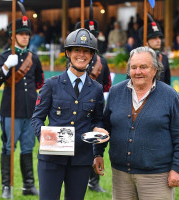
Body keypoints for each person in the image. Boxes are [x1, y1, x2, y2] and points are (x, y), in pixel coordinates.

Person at [93, 46, 179, 200]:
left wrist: (178, 168)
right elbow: (105, 128)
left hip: (157, 177)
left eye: (143, 67)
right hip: (121, 175)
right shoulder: (116, 92)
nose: (138, 71)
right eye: (133, 67)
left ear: (155, 69)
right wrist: (98, 152)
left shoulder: (169, 96)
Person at [31, 28, 108, 200]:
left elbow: (98, 120)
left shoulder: (96, 89)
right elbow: (37, 118)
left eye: (87, 51)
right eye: (77, 50)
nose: (82, 55)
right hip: (51, 159)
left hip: (81, 160)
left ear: (92, 56)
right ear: (68, 53)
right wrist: (46, 139)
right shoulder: (52, 85)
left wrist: (99, 132)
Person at [0, 11, 44, 198]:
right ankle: (7, 186)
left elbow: (39, 83)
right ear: (13, 36)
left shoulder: (33, 58)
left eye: (27, 34)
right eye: (22, 34)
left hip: (30, 112)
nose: (25, 37)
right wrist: (6, 67)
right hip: (10, 110)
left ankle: (28, 185)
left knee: (28, 148)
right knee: (8, 148)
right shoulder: (5, 56)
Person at [73, 16, 111, 193]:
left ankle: (93, 181)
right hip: (75, 110)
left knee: (95, 144)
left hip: (94, 109)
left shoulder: (102, 62)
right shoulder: (73, 59)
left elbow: (106, 86)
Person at [138, 18, 171, 85]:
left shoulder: (164, 58)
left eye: (159, 37)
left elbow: (167, 83)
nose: (158, 40)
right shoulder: (137, 58)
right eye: (154, 38)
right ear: (146, 41)